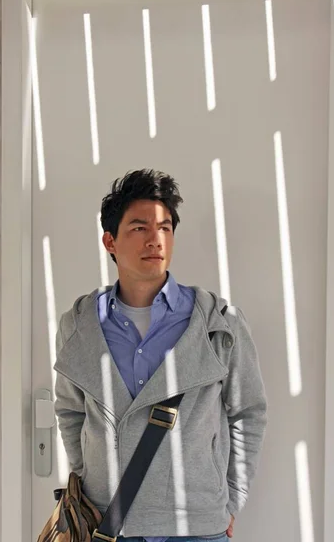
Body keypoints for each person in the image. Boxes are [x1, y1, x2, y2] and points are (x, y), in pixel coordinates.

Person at [54, 169, 267, 542]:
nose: (156, 240)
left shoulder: (218, 323)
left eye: (165, 228)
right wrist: (92, 486)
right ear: (110, 241)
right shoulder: (80, 325)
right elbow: (71, 411)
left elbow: (248, 411)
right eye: (139, 228)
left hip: (197, 526)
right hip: (110, 525)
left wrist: (232, 499)